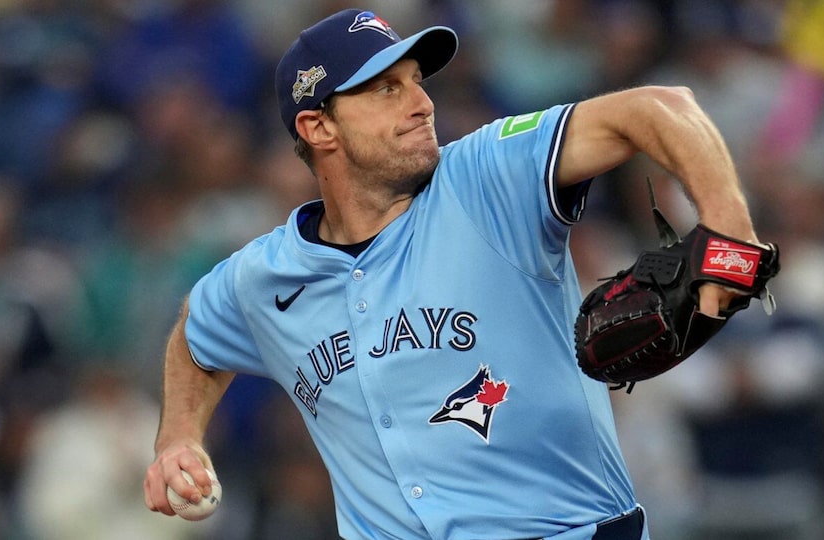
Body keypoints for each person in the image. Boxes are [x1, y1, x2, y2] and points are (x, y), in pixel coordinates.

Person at [143, 8, 763, 540]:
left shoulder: (488, 177)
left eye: (416, 81)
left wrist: (730, 233)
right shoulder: (264, 276)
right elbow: (197, 337)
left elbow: (659, 108)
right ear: (318, 127)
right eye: (385, 89)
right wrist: (178, 439)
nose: (421, 103)